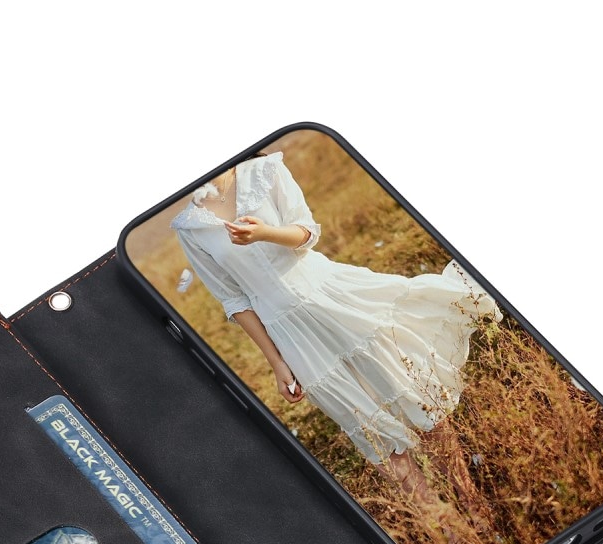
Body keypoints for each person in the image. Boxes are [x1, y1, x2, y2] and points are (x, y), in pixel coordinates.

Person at [170, 150, 501, 519]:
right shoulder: (190, 226)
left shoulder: (264, 171)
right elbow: (233, 298)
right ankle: (449, 529)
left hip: (332, 295)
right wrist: (276, 362)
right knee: (367, 426)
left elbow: (307, 232)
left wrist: (264, 233)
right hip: (290, 333)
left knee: (409, 392)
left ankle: (473, 504)